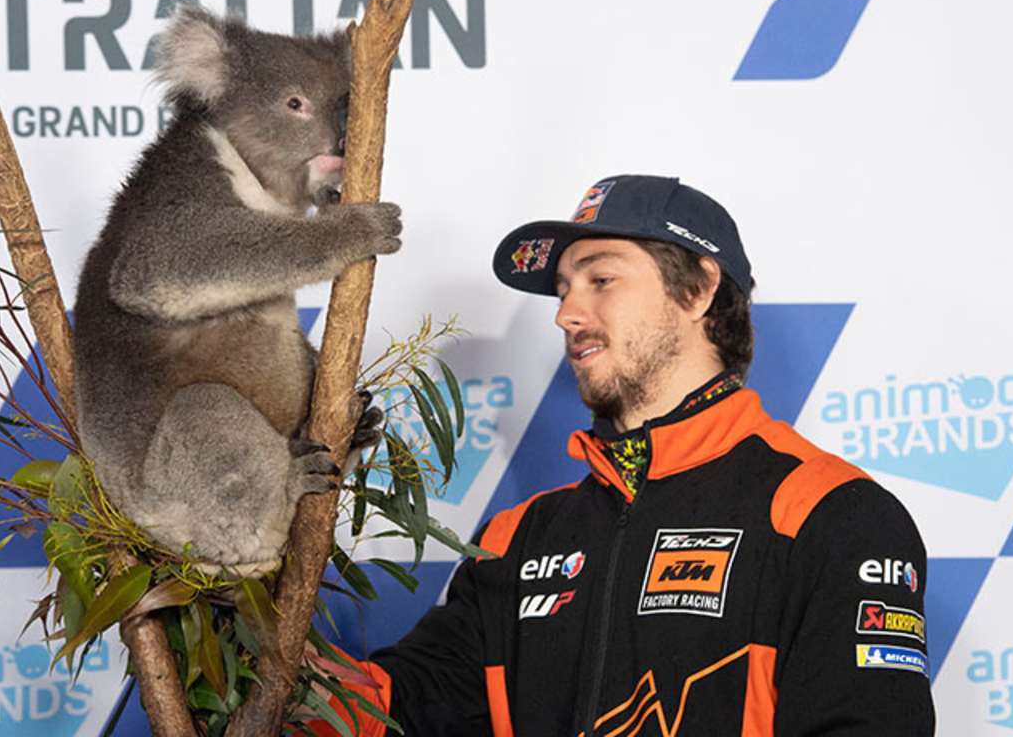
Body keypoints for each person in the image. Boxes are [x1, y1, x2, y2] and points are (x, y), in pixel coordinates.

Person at [314, 175, 935, 736]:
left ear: (697, 289)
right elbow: (394, 710)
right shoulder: (515, 541)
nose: (567, 314)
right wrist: (260, 649)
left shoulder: (825, 512)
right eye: (562, 290)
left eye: (601, 279)